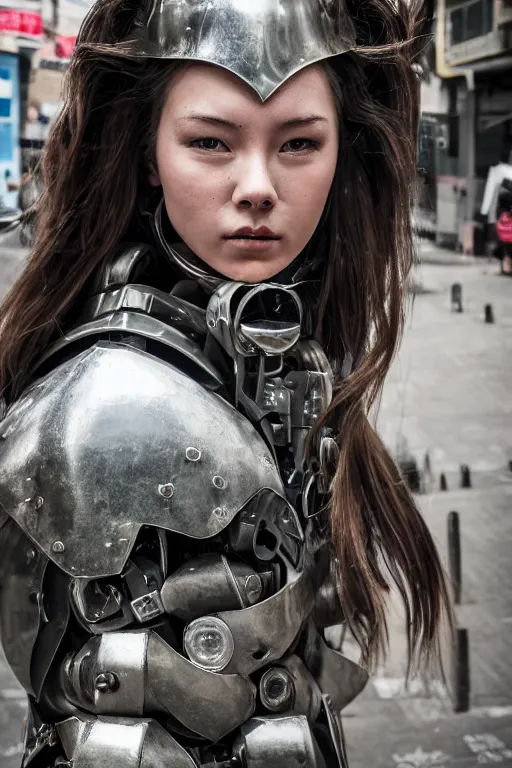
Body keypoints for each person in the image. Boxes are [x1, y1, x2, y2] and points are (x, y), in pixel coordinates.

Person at [0, 1, 451, 766]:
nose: (257, 188)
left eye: (300, 144)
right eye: (210, 142)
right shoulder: (98, 410)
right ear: (151, 154)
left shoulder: (292, 359)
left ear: (344, 152)